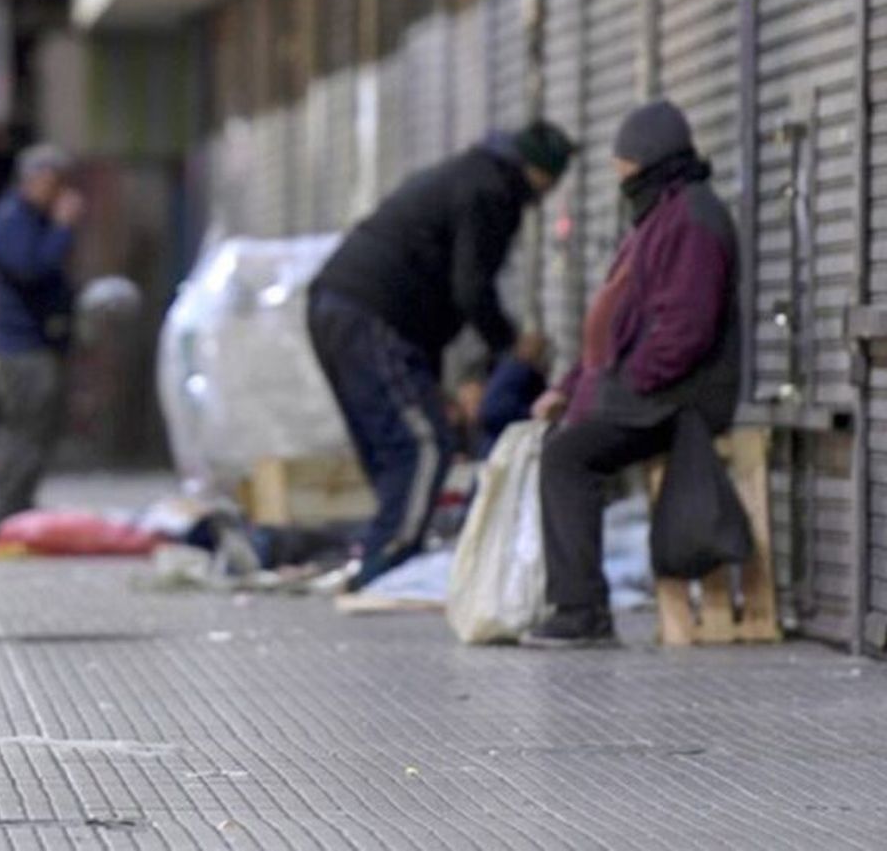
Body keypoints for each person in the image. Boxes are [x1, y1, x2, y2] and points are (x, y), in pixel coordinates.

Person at [306, 121, 575, 593]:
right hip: (370, 314)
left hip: (340, 307)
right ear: (541, 171)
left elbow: (440, 293)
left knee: (391, 446)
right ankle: (385, 565)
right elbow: (470, 288)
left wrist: (437, 384)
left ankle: (381, 555)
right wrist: (510, 346)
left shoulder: (470, 175)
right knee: (424, 446)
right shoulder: (492, 191)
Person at [523, 101, 740, 648]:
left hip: (679, 395)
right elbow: (615, 328)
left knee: (568, 456)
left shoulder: (690, 219)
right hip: (648, 389)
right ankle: (575, 604)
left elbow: (685, 330)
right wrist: (571, 388)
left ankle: (581, 612)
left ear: (647, 161)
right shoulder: (658, 216)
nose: (619, 174)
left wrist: (626, 386)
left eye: (624, 163)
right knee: (561, 441)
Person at [0, 143, 83, 535]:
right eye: (51, 183)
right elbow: (30, 268)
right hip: (21, 349)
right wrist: (62, 229)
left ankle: (20, 511)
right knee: (22, 434)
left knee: (37, 434)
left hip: (40, 344)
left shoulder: (33, 220)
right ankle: (8, 515)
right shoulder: (12, 220)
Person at [477, 332, 553, 457]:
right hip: (505, 445)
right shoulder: (520, 372)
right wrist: (532, 412)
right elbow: (494, 411)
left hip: (496, 444)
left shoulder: (506, 369)